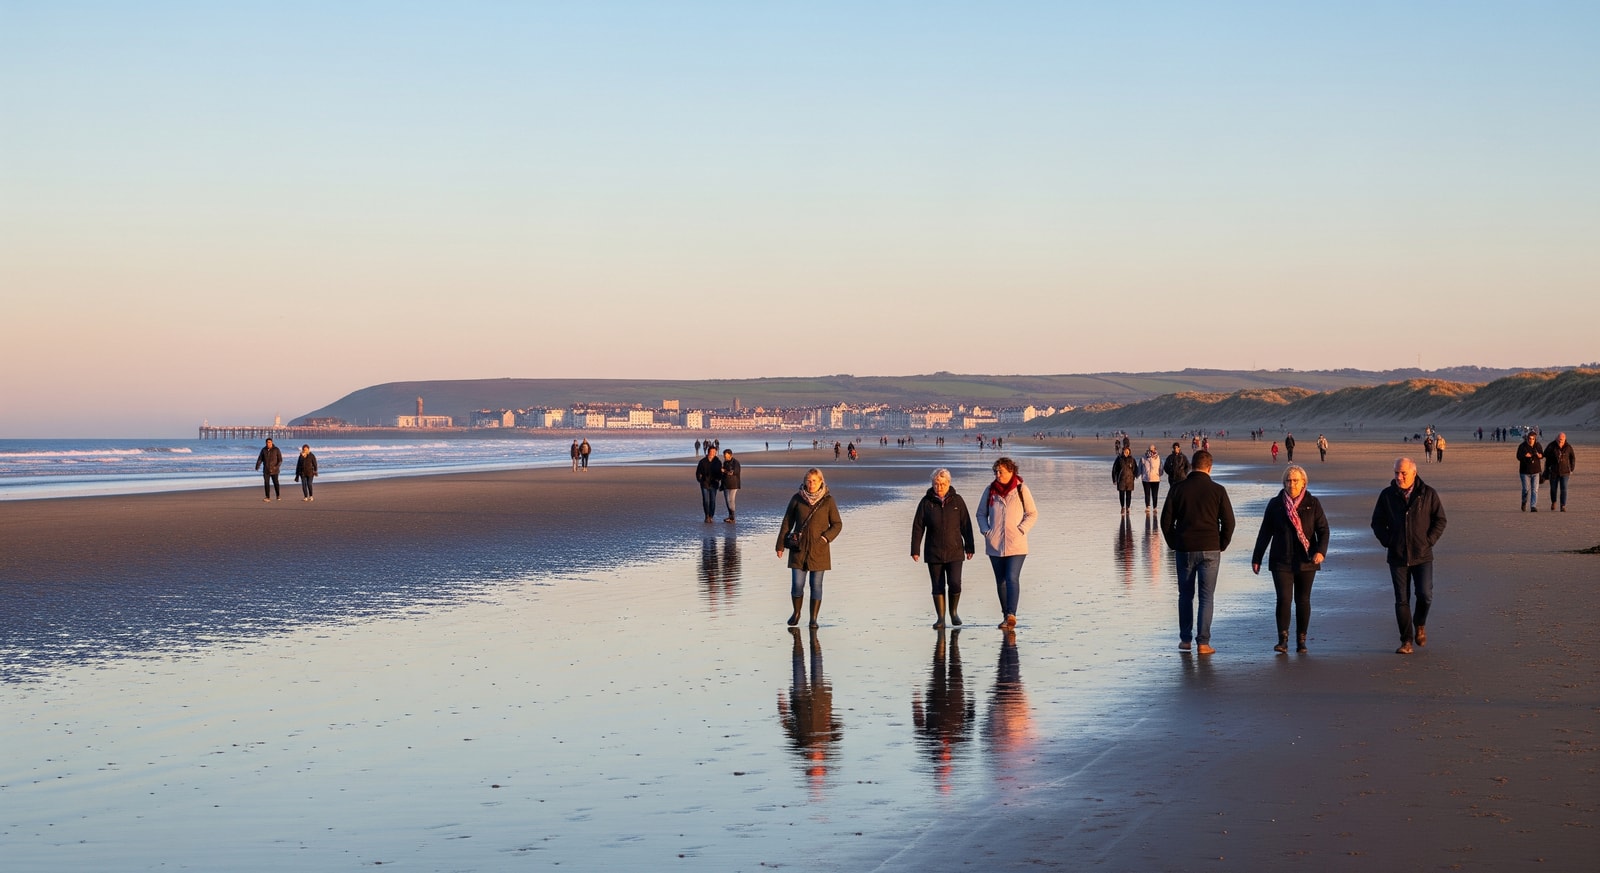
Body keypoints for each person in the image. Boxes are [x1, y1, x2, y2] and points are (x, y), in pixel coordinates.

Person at [1159, 449, 1235, 655]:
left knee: (1185, 595)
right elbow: (1229, 522)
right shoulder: (1218, 490)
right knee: (1206, 597)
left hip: (1185, 547)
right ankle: (1203, 643)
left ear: (1191, 465)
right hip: (1210, 547)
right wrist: (1222, 543)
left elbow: (1165, 521)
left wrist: (1174, 542)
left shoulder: (1178, 489)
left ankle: (1185, 640)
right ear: (1210, 467)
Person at [1370, 457, 1447, 654]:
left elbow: (1440, 520)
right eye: (1396, 473)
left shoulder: (1427, 493)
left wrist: (1428, 541)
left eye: (1403, 473)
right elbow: (1377, 522)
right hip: (1397, 556)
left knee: (1425, 595)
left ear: (1414, 473)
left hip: (1422, 555)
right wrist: (1389, 541)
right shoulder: (1387, 495)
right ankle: (1406, 641)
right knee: (1401, 600)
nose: (1399, 477)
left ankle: (1419, 623)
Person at [1251, 465, 1329, 653]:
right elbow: (1265, 533)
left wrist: (1321, 551)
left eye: (1295, 480)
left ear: (1303, 483)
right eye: (1288, 480)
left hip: (1307, 560)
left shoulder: (1313, 503)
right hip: (1281, 560)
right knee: (1284, 599)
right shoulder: (1275, 504)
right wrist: (1257, 558)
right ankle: (1282, 640)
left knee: (1303, 600)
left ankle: (1301, 640)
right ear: (1283, 483)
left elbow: (1323, 530)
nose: (1291, 484)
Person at [976, 457, 1039, 630]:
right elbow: (981, 514)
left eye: (1001, 471)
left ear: (1011, 471)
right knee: (1001, 581)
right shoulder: (990, 490)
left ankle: (1012, 614)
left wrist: (1021, 529)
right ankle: (1005, 617)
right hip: (994, 544)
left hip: (1016, 544)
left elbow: (1032, 513)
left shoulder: (1021, 489)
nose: (997, 475)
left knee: (1011, 577)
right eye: (995, 471)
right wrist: (986, 531)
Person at [776, 468, 843, 628]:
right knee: (797, 585)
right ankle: (796, 613)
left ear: (821, 482)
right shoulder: (797, 499)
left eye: (814, 481)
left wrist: (825, 538)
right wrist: (780, 545)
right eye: (808, 481)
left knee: (816, 585)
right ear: (805, 482)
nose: (811, 484)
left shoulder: (828, 501)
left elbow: (837, 524)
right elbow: (787, 522)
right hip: (798, 549)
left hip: (819, 550)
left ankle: (813, 619)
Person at [911, 468, 976, 629]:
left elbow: (966, 525)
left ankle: (953, 613)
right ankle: (940, 618)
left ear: (948, 484)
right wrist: (915, 549)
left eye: (942, 484)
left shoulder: (958, 501)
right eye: (935, 484)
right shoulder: (926, 502)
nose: (938, 487)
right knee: (937, 585)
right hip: (933, 552)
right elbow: (918, 526)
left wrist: (970, 547)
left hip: (955, 551)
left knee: (955, 584)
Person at [1543, 432, 1577, 512]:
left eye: (1562, 439)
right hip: (1553, 471)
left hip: (1565, 472)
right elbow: (1545, 454)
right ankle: (1554, 502)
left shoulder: (1568, 447)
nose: (1560, 441)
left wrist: (1572, 468)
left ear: (1565, 439)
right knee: (1553, 489)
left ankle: (1563, 505)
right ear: (1556, 438)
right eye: (1559, 439)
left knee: (1564, 489)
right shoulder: (1551, 445)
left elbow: (1572, 457)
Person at [1516, 432, 1544, 512]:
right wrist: (1525, 455)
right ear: (1527, 438)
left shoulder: (1537, 446)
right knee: (1526, 489)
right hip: (1525, 472)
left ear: (1535, 439)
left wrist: (1540, 455)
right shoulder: (1522, 446)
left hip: (1536, 471)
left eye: (1532, 439)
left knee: (1535, 489)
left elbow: (1542, 454)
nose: (1531, 440)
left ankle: (1533, 506)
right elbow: (1518, 456)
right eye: (1529, 439)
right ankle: (1524, 502)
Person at [695, 445, 723, 523]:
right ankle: (706, 516)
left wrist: (718, 479)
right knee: (705, 501)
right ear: (708, 452)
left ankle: (711, 516)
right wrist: (700, 480)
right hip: (704, 483)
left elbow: (720, 473)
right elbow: (698, 472)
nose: (713, 453)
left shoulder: (718, 462)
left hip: (714, 484)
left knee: (713, 501)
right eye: (712, 451)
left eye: (715, 452)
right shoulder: (702, 461)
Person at [254, 437, 283, 502]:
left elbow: (280, 460)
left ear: (272, 443)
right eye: (267, 443)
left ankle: (278, 495)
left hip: (275, 470)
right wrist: (257, 466)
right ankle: (267, 497)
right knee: (266, 483)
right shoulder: (263, 450)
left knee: (276, 483)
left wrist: (276, 467)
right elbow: (260, 458)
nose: (268, 444)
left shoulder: (276, 449)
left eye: (269, 442)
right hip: (266, 470)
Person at [1111, 445, 1137, 514]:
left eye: (1127, 451)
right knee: (1121, 495)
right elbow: (1114, 469)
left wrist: (1134, 477)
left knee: (1129, 495)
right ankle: (1122, 507)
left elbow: (1135, 469)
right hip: (1121, 480)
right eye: (1125, 451)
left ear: (1129, 452)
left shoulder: (1132, 459)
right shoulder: (1119, 459)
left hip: (1130, 480)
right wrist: (1114, 479)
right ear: (1123, 451)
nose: (1126, 452)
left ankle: (1128, 507)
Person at [1139, 444, 1163, 514]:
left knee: (1155, 494)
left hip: (1155, 478)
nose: (1151, 451)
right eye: (1150, 449)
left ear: (1155, 449)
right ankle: (1147, 507)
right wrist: (1137, 475)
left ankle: (1155, 507)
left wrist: (1160, 474)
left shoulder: (1158, 457)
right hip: (1145, 479)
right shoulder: (1143, 458)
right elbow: (1140, 467)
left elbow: (1161, 467)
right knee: (1147, 494)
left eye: (1152, 449)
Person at [720, 449, 742, 522]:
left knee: (731, 500)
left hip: (733, 484)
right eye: (724, 456)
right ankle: (730, 516)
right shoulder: (725, 462)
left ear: (730, 455)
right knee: (727, 500)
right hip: (725, 484)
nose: (725, 457)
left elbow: (733, 472)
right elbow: (723, 474)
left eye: (726, 456)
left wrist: (725, 471)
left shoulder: (736, 463)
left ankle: (732, 517)